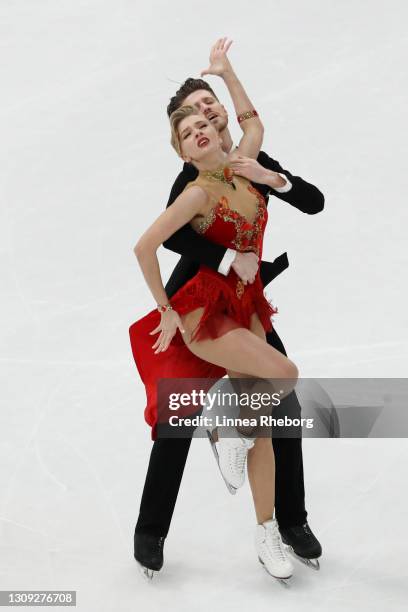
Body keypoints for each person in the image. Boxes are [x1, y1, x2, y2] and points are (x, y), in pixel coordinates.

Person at [129, 38, 324, 578]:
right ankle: (151, 530)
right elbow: (165, 240)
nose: (205, 115)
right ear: (184, 142)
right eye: (192, 115)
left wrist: (271, 177)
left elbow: (310, 197)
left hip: (250, 303)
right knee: (178, 417)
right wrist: (223, 258)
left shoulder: (249, 155)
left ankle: (285, 524)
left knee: (279, 407)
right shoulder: (192, 177)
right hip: (202, 301)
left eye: (208, 105)